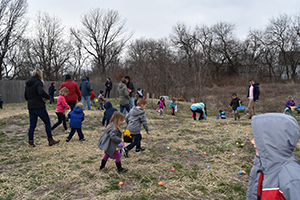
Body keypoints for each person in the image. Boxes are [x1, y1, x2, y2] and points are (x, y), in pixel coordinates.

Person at [247, 113, 300, 199]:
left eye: (257, 138)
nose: (252, 141)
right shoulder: (265, 167)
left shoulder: (291, 180)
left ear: (273, 141)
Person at [25, 69, 60, 147]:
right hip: (39, 106)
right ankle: (50, 140)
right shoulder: (39, 82)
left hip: (31, 107)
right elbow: (41, 92)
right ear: (40, 75)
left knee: (32, 126)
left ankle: (31, 143)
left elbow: (26, 96)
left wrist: (31, 100)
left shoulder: (28, 84)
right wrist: (48, 97)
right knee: (47, 122)